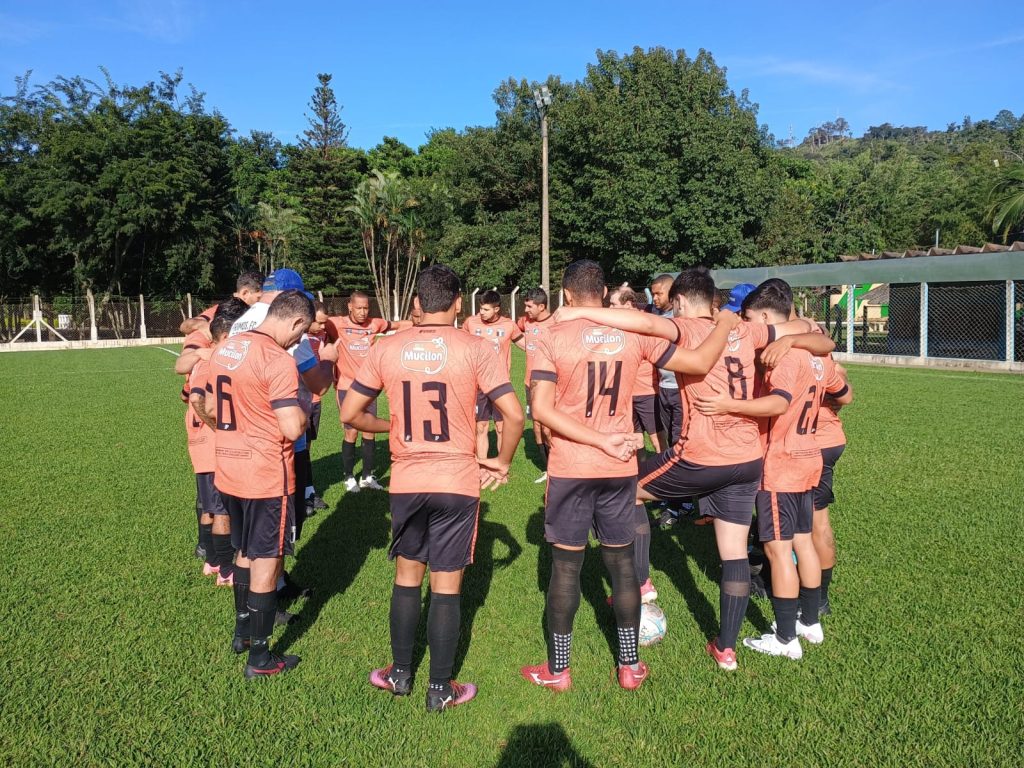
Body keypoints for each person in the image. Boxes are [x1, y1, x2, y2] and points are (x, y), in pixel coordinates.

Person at [556, 268, 836, 671]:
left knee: (628, 490)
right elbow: (819, 336)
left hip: (702, 453)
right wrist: (790, 337)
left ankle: (641, 585)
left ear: (681, 302)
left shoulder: (686, 327)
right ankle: (726, 648)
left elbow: (642, 322)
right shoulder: (747, 330)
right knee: (733, 551)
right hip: (747, 459)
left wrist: (581, 313)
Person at [520, 260, 739, 693]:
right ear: (603, 294)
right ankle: (630, 665)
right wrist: (727, 323)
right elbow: (698, 361)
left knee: (565, 568)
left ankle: (558, 670)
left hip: (572, 466)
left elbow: (541, 410)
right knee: (621, 565)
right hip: (620, 465)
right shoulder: (632, 332)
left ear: (566, 296)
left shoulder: (549, 335)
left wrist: (598, 441)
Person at [340, 264, 524, 712]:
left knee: (407, 576)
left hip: (407, 478)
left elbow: (349, 414)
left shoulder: (388, 347)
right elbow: (515, 416)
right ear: (459, 303)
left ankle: (399, 674)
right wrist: (501, 462)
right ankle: (440, 689)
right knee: (447, 584)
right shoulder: (477, 348)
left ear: (417, 304)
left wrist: (391, 426)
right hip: (457, 479)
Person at [694, 279, 852, 661]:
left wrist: (729, 405)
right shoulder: (817, 355)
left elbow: (778, 404)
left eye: (749, 318)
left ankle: (784, 639)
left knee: (778, 550)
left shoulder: (784, 357)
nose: (747, 324)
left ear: (765, 317)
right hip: (810, 456)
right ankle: (810, 621)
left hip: (781, 463)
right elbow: (845, 393)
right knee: (802, 541)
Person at [207, 290, 314, 679]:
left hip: (228, 469)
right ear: (296, 321)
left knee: (244, 552)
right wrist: (304, 412)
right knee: (267, 559)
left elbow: (211, 407)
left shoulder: (227, 348)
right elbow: (291, 427)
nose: (298, 342)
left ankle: (242, 632)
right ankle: (261, 657)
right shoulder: (277, 359)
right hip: (265, 476)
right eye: (300, 334)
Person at [230, 269, 337, 598]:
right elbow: (317, 384)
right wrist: (329, 360)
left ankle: (257, 599)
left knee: (248, 536)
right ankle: (268, 594)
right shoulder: (288, 329)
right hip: (280, 444)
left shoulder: (240, 324)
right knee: (280, 528)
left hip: (238, 441)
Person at [186, 299, 250, 584]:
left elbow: (186, 395)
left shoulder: (210, 359)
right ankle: (226, 571)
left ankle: (212, 562)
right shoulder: (211, 361)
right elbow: (197, 399)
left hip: (203, 446)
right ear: (225, 337)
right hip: (211, 448)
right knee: (222, 511)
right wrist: (219, 428)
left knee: (212, 508)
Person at [326, 291, 413, 493]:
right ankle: (349, 476)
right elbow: (316, 324)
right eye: (359, 308)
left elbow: (398, 325)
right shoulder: (336, 324)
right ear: (350, 306)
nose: (363, 312)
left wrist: (423, 322)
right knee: (351, 431)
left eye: (366, 308)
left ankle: (367, 476)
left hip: (368, 387)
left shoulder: (375, 324)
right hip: (346, 386)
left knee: (370, 431)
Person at [647, 273, 691, 528]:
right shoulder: (659, 318)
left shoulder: (680, 321)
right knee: (669, 445)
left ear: (672, 293)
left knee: (679, 444)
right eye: (652, 293)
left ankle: (681, 502)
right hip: (664, 387)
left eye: (658, 293)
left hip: (680, 390)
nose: (654, 298)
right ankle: (671, 496)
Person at [462, 290, 524, 459]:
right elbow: (461, 345)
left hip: (500, 384)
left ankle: (500, 465)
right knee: (481, 426)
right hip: (478, 384)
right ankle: (481, 465)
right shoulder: (471, 323)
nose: (481, 312)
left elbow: (525, 345)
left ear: (496, 309)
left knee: (501, 426)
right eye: (481, 308)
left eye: (486, 309)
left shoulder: (509, 325)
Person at [609, 286, 661, 456]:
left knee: (657, 439)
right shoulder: (615, 325)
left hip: (647, 392)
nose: (609, 308)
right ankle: (641, 471)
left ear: (628, 304)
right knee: (634, 439)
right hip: (625, 393)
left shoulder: (645, 322)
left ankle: (665, 469)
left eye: (613, 304)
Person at [515, 288, 554, 483]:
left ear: (542, 306)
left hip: (549, 383)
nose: (526, 309)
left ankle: (557, 467)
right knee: (536, 426)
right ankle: (546, 469)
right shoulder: (525, 322)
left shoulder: (556, 324)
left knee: (548, 428)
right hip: (529, 383)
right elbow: (514, 333)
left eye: (530, 306)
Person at [178, 269, 264, 337]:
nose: (264, 301)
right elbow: (184, 326)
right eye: (259, 298)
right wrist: (201, 325)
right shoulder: (223, 310)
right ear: (245, 293)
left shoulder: (260, 311)